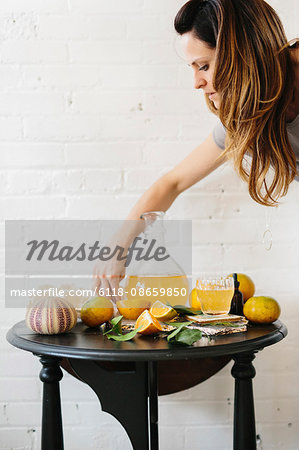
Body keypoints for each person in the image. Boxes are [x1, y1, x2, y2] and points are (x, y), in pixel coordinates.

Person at [95, 0, 298, 297]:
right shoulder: (245, 117)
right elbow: (172, 183)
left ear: (243, 54)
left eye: (204, 65)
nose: (197, 82)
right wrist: (118, 245)